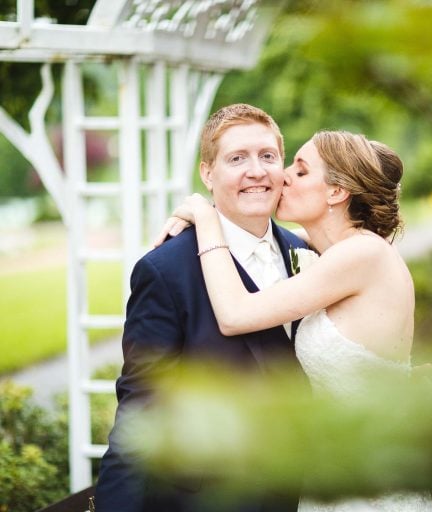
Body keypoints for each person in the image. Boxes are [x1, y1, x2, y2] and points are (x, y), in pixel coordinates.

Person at [163, 130, 432, 512]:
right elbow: (256, 241)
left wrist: (207, 219)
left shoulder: (362, 255)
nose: (284, 175)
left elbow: (235, 315)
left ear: (337, 192)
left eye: (302, 170)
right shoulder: (328, 250)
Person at [94, 104, 308, 512]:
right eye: (236, 158)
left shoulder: (306, 253)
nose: (257, 171)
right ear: (207, 173)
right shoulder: (165, 271)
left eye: (267, 156)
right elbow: (141, 414)